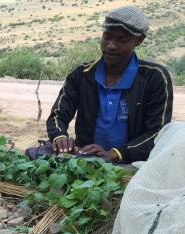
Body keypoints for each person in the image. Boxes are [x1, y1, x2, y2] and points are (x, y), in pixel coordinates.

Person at [46, 5, 173, 163]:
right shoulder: (81, 74)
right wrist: (60, 136)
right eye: (107, 37)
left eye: (122, 40)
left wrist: (116, 153)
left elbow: (158, 132)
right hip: (86, 162)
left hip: (133, 165)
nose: (111, 45)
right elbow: (58, 115)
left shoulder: (155, 77)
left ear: (139, 40)